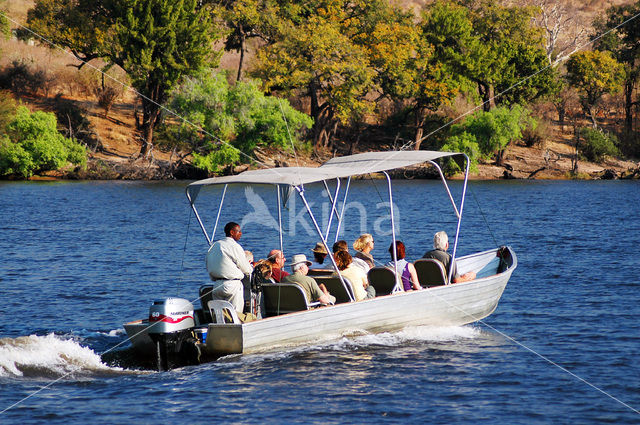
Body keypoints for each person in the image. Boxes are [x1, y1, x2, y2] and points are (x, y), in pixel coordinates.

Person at [205, 222, 253, 313]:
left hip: (216, 286)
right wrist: (251, 267)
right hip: (232, 286)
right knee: (235, 315)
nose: (241, 233)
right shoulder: (234, 246)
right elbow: (246, 269)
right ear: (231, 232)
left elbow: (208, 264)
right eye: (239, 231)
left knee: (219, 316)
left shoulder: (214, 246)